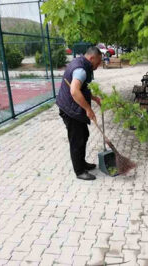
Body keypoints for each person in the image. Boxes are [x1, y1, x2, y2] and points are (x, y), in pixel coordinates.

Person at [56, 46, 102, 181]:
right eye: (98, 63)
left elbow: (82, 88)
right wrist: (88, 109)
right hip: (70, 109)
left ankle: (82, 163)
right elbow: (75, 91)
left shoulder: (82, 63)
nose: (98, 66)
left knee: (84, 135)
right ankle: (80, 171)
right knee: (77, 140)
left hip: (72, 107)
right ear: (91, 58)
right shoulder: (81, 69)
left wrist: (94, 98)